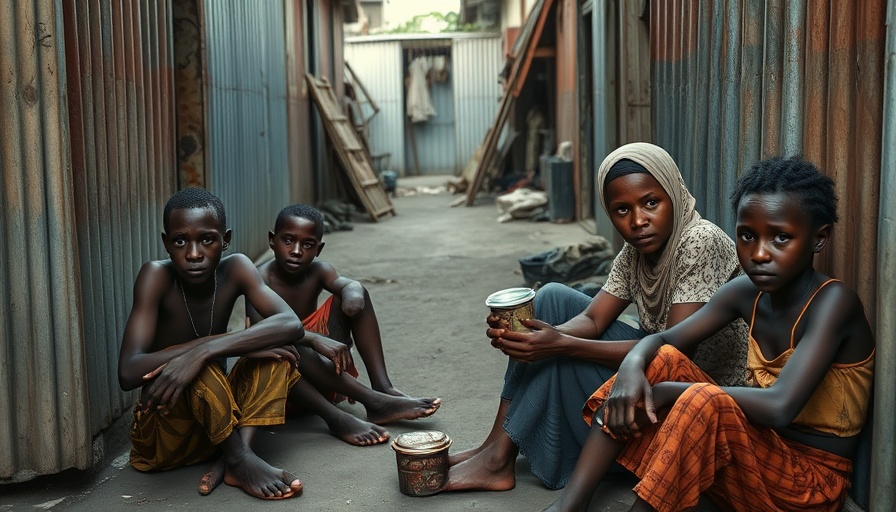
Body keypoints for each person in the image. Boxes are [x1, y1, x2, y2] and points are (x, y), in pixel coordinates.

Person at [546, 156, 875, 511]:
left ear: (819, 238)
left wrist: (668, 392)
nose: (760, 253)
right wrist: (632, 365)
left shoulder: (834, 302)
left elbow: (780, 406)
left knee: (702, 399)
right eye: (748, 236)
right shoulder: (745, 292)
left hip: (810, 485)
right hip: (757, 455)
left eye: (781, 238)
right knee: (664, 359)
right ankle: (571, 506)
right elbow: (663, 340)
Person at [444, 142, 749, 492]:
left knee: (558, 353)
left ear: (675, 193)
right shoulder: (636, 250)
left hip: (697, 389)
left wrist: (560, 345)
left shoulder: (699, 240)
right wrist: (538, 336)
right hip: (652, 363)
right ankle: (494, 446)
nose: (637, 221)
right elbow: (592, 319)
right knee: (550, 299)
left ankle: (498, 459)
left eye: (651, 203)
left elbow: (675, 353)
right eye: (622, 210)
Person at [118, 188, 305, 500]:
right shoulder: (155, 276)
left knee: (276, 358)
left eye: (207, 240)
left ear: (226, 239)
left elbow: (290, 324)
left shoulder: (236, 268)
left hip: (220, 427)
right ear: (166, 243)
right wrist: (203, 351)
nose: (194, 253)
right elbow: (128, 371)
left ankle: (234, 458)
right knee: (195, 366)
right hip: (161, 440)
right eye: (180, 241)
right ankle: (240, 459)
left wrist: (205, 349)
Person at [248, 204, 441, 446]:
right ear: (272, 240)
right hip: (285, 384)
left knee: (356, 293)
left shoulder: (319, 270)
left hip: (321, 371)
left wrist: (352, 295)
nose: (296, 251)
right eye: (288, 240)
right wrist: (313, 339)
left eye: (307, 245)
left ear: (318, 249)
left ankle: (383, 387)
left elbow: (348, 287)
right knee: (287, 341)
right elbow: (265, 333)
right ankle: (367, 404)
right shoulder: (257, 279)